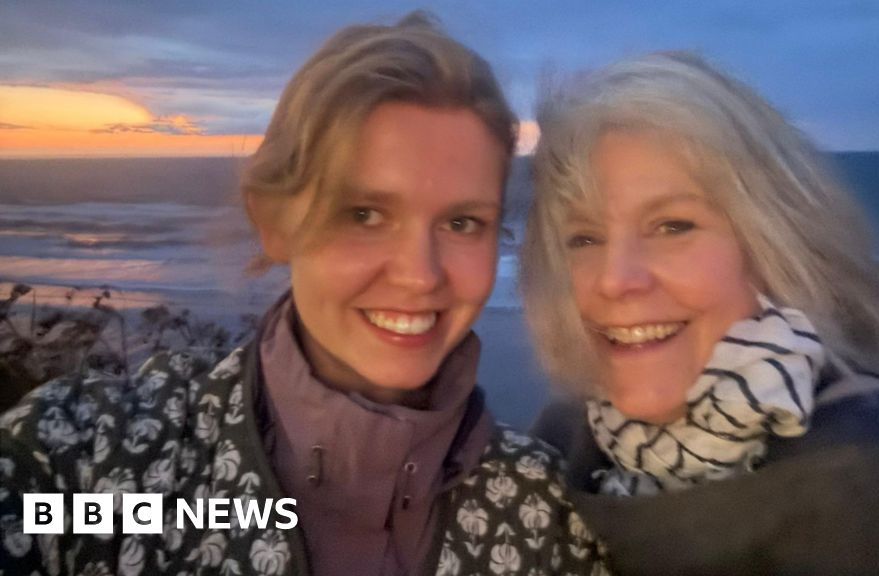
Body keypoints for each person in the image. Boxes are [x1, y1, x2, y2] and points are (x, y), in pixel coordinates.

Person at [0, 13, 607, 576]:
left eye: (461, 222)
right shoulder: (95, 461)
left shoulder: (548, 514)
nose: (421, 275)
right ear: (275, 223)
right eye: (365, 214)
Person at [521, 51, 879, 574]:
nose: (614, 280)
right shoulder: (561, 443)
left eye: (672, 226)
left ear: (777, 246)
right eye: (584, 238)